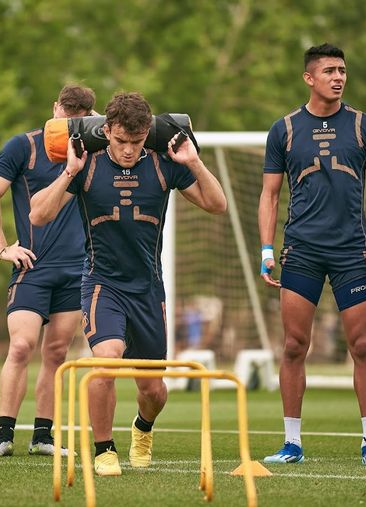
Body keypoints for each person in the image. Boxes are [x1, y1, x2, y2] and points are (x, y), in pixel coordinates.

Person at [29, 91, 227, 476]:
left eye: (136, 142)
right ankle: (104, 449)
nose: (128, 151)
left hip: (149, 289)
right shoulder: (86, 164)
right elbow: (38, 215)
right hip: (102, 283)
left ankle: (143, 427)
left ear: (147, 134)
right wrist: (68, 171)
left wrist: (195, 163)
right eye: (121, 142)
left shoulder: (162, 163)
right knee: (106, 360)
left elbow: (216, 204)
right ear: (106, 131)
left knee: (153, 391)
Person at [258, 43, 366, 466]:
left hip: (352, 252)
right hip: (301, 251)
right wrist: (266, 249)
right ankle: (292, 443)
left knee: (362, 345)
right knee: (295, 345)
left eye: (342, 70)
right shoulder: (284, 129)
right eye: (330, 70)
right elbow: (269, 195)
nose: (338, 77)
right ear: (309, 78)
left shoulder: (365, 127)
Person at [0, 84, 96, 457]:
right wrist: (2, 247)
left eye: (80, 115)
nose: (69, 119)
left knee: (57, 352)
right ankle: (3, 434)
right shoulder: (22, 146)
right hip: (33, 266)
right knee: (21, 345)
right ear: (54, 108)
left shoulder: (94, 148)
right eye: (65, 111)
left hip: (76, 267)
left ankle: (42, 436)